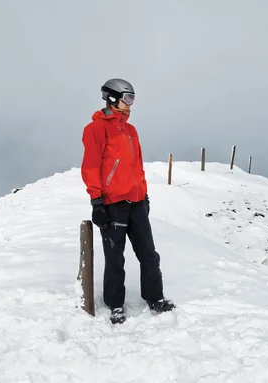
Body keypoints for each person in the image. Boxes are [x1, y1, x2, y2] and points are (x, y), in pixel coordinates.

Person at [80, 78, 175, 324]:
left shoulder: (130, 130)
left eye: (133, 98)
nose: (131, 104)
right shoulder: (96, 129)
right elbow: (91, 166)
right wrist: (97, 202)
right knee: (115, 258)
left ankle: (155, 297)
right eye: (127, 98)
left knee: (149, 254)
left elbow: (137, 167)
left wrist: (144, 195)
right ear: (112, 98)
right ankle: (115, 304)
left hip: (136, 202)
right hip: (113, 204)